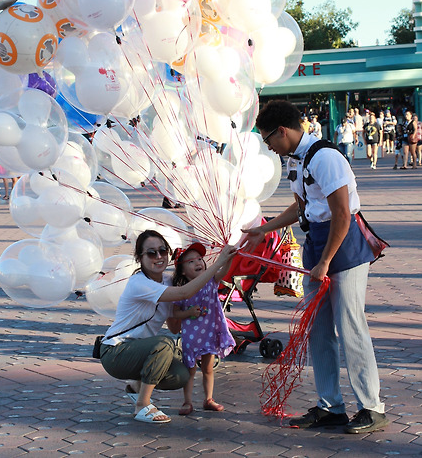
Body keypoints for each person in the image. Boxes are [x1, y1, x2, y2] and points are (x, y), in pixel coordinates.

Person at [240, 100, 388, 434]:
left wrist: (325, 262)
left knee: (350, 326)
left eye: (268, 141)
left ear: (283, 131)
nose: (268, 147)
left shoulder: (325, 157)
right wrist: (265, 227)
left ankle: (372, 407)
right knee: (318, 330)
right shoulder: (297, 160)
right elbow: (302, 207)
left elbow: (342, 212)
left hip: (344, 247)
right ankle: (330, 405)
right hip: (318, 245)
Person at [99, 229, 237, 424]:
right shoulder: (139, 283)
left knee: (179, 375)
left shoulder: (167, 281)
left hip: (138, 351)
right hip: (115, 352)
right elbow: (183, 293)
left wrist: (193, 314)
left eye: (163, 250)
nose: (158, 256)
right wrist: (218, 262)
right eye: (151, 253)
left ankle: (135, 386)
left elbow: (174, 326)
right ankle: (142, 405)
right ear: (140, 257)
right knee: (165, 344)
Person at [171, 242, 235, 416]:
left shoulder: (211, 282)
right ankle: (187, 401)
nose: (198, 263)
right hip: (191, 336)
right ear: (182, 271)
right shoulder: (182, 290)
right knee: (189, 369)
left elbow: (223, 272)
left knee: (208, 368)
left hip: (210, 332)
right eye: (191, 261)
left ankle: (209, 399)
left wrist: (228, 257)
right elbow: (176, 312)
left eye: (199, 259)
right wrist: (189, 312)